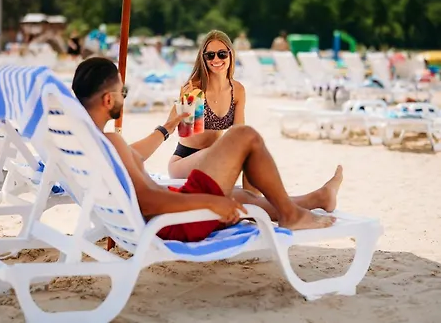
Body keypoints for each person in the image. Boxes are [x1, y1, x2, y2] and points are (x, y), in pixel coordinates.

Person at [71, 57, 341, 243]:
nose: (124, 97)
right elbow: (148, 201)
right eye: (123, 92)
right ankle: (291, 216)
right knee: (243, 135)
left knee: (242, 196)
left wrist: (168, 127)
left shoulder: (92, 142)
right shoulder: (110, 142)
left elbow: (134, 157)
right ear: (108, 100)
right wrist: (210, 202)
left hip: (168, 212)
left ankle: (316, 199)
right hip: (174, 222)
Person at [168, 30, 258, 195]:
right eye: (210, 55)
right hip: (185, 159)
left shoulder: (237, 90)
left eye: (222, 54)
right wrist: (187, 103)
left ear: (230, 54)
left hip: (216, 157)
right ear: (203, 58)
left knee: (251, 154)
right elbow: (185, 132)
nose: (216, 60)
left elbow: (238, 132)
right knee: (214, 153)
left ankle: (252, 198)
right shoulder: (195, 87)